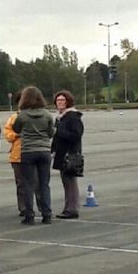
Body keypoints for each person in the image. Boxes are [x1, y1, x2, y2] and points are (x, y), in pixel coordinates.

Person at [12, 86, 54, 225]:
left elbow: (16, 128)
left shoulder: (23, 115)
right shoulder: (47, 114)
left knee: (28, 184)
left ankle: (29, 215)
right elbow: (51, 133)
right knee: (44, 184)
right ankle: (46, 213)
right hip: (44, 150)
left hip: (28, 151)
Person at [3, 91, 43, 218]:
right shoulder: (14, 118)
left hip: (33, 152)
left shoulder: (38, 115)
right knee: (21, 184)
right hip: (17, 155)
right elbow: (8, 135)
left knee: (37, 183)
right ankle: (24, 208)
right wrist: (16, 135)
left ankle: (42, 207)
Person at [52, 90, 84, 219]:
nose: (59, 103)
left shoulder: (72, 117)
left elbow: (76, 135)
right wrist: (53, 149)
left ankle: (72, 209)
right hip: (62, 153)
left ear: (68, 102)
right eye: (58, 100)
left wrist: (60, 132)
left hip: (70, 154)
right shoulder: (61, 117)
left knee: (70, 182)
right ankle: (69, 207)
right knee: (66, 182)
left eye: (62, 100)